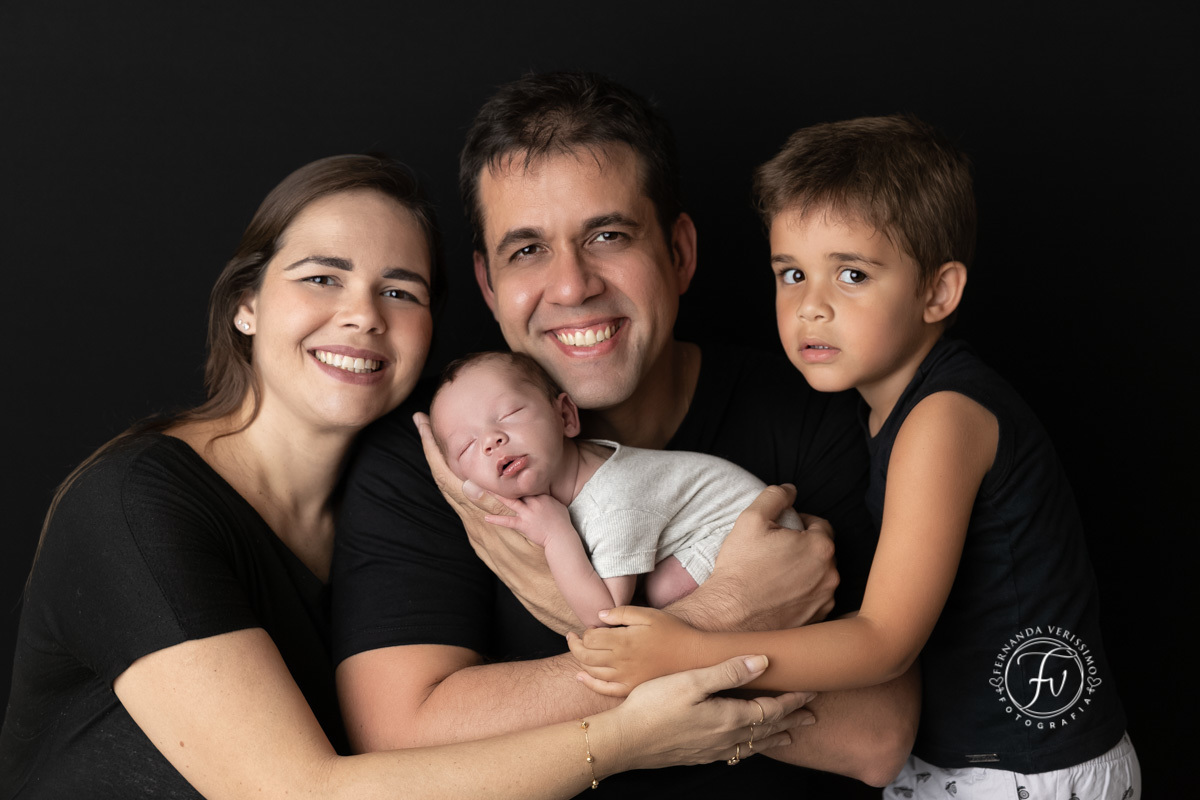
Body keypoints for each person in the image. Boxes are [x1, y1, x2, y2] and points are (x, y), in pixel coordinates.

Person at [0, 154, 812, 798]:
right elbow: (294, 794)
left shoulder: (409, 494)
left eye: (399, 290)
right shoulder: (135, 506)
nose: (363, 315)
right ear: (246, 303)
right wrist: (637, 720)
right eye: (321, 277)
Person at [333, 72, 919, 795]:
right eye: (527, 251)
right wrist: (720, 614)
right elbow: (400, 738)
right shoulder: (439, 454)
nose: (572, 286)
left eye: (607, 236)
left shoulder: (805, 412)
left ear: (679, 253)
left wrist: (611, 638)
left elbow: (876, 736)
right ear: (487, 285)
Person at [569, 115, 1140, 798]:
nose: (811, 307)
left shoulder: (942, 420)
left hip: (1028, 771)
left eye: (851, 274)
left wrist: (687, 650)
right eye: (791, 273)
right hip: (963, 762)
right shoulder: (880, 411)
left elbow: (882, 642)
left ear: (938, 292)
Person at [428, 350, 803, 626]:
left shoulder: (614, 502)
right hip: (735, 534)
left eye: (510, 414)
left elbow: (606, 617)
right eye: (466, 446)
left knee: (662, 594)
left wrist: (557, 536)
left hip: (760, 536)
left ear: (565, 416)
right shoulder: (578, 471)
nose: (491, 440)